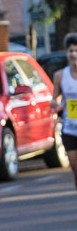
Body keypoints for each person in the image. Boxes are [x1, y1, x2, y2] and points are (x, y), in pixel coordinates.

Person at [50, 32, 77, 190]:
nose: (73, 54)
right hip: (70, 129)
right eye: (70, 51)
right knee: (74, 166)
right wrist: (55, 104)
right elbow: (54, 98)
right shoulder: (60, 75)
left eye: (76, 50)